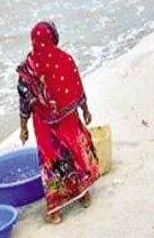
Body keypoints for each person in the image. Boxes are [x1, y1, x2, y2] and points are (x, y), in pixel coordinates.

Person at [18, 20, 100, 224]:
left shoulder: (29, 69)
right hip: (69, 121)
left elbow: (24, 100)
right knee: (75, 154)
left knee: (51, 163)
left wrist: (23, 128)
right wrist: (86, 110)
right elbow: (77, 86)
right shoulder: (64, 60)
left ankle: (54, 210)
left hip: (43, 125)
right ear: (53, 38)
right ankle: (84, 195)